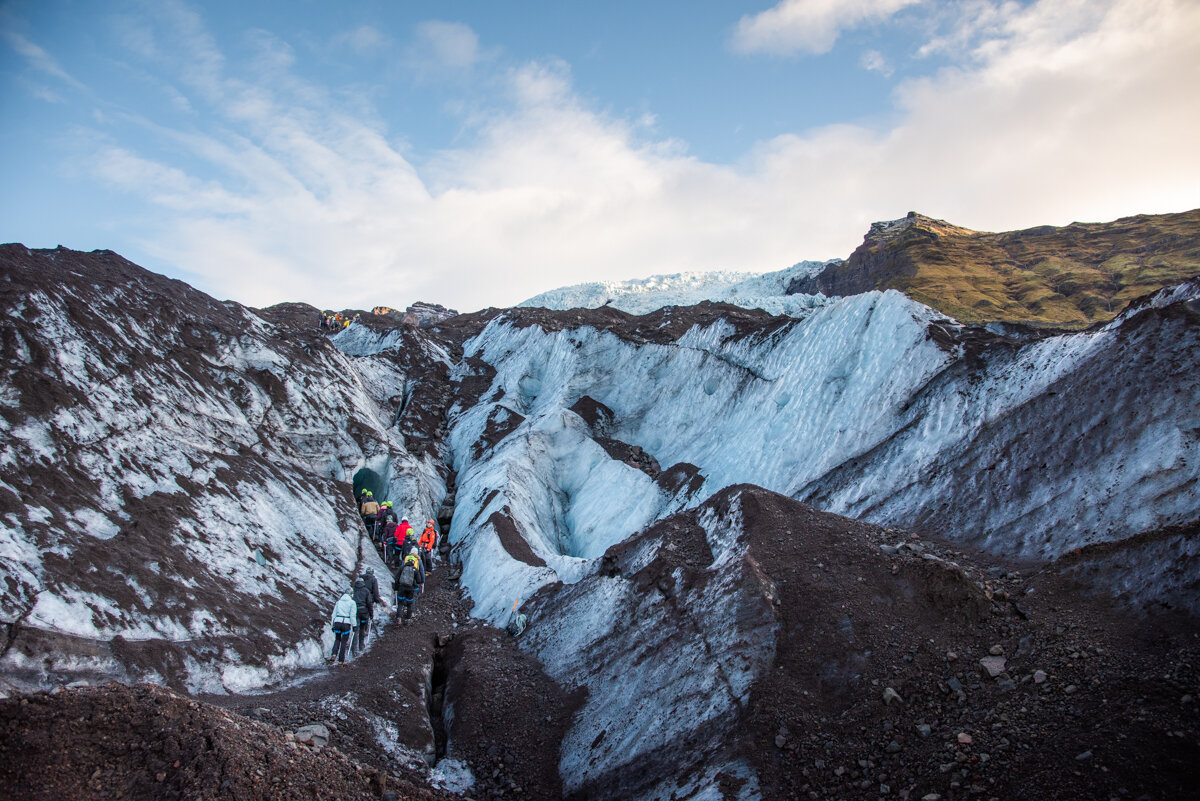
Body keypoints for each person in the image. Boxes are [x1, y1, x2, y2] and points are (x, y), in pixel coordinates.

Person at [329, 584, 357, 664]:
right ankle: (341, 660)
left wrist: (332, 625)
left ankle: (334, 654)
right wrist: (354, 625)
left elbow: (333, 614)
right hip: (346, 623)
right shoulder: (352, 603)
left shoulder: (338, 602)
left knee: (337, 639)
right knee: (344, 641)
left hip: (337, 622)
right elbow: (352, 615)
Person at [394, 552, 422, 620]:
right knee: (409, 604)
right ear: (413, 561)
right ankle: (408, 618)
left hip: (401, 587)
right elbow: (419, 581)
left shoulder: (402, 568)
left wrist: (396, 588)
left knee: (400, 603)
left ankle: (399, 617)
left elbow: (397, 578)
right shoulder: (415, 569)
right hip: (410, 588)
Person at [351, 577, 373, 655]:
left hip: (355, 612)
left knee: (355, 630)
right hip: (364, 613)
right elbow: (369, 603)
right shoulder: (366, 590)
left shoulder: (354, 590)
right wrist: (371, 614)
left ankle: (353, 649)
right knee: (362, 628)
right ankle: (361, 645)